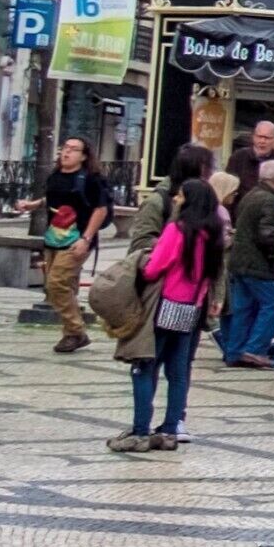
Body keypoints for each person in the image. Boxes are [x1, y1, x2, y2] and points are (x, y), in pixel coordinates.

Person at [111, 146, 225, 455]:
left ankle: (139, 429)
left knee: (144, 364)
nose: (176, 199)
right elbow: (215, 272)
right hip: (191, 308)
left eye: (181, 197)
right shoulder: (212, 233)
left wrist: (144, 267)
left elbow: (154, 267)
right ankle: (172, 427)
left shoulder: (178, 230)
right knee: (178, 371)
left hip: (164, 305)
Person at [32, 135, 116, 353]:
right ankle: (72, 334)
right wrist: (33, 204)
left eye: (73, 149)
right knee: (60, 287)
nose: (66, 152)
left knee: (56, 283)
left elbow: (100, 209)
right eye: (65, 148)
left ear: (84, 156)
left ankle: (75, 330)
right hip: (53, 239)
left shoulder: (90, 179)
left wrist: (86, 238)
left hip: (77, 239)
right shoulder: (55, 176)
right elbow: (53, 200)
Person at [218, 122, 274, 363]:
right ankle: (254, 349)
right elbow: (267, 235)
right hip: (254, 260)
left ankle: (234, 352)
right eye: (259, 136)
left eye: (267, 137)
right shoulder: (265, 197)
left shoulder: (253, 194)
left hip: (241, 255)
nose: (262, 141)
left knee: (243, 306)